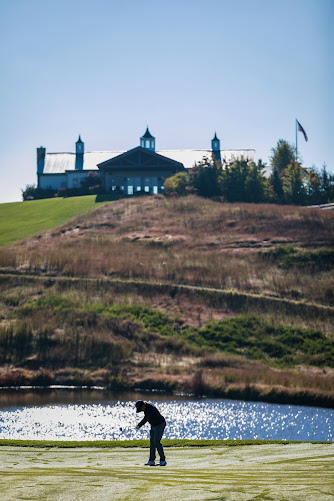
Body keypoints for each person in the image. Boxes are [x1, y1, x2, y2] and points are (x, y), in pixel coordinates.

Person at [135, 400, 167, 466]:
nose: (141, 410)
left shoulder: (150, 409)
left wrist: (139, 425)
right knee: (152, 442)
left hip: (160, 424)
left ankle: (163, 460)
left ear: (143, 405)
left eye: (141, 408)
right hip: (154, 425)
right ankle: (151, 460)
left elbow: (146, 418)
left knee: (156, 441)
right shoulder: (146, 407)